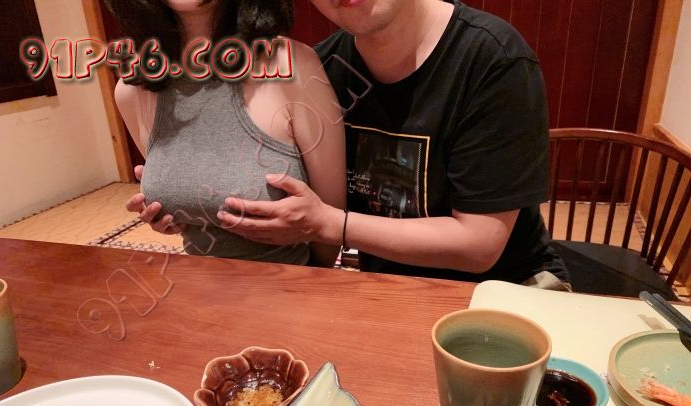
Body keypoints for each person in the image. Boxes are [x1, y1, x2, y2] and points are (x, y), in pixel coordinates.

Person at [131, 0, 569, 287]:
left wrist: (329, 224)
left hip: (505, 291)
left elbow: (479, 246)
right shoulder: (323, 68)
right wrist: (189, 201)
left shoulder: (492, 57)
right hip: (385, 289)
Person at [111, 0, 346, 266]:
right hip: (196, 282)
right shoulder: (132, 90)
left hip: (292, 282)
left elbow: (328, 228)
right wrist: (171, 208)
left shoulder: (292, 65)